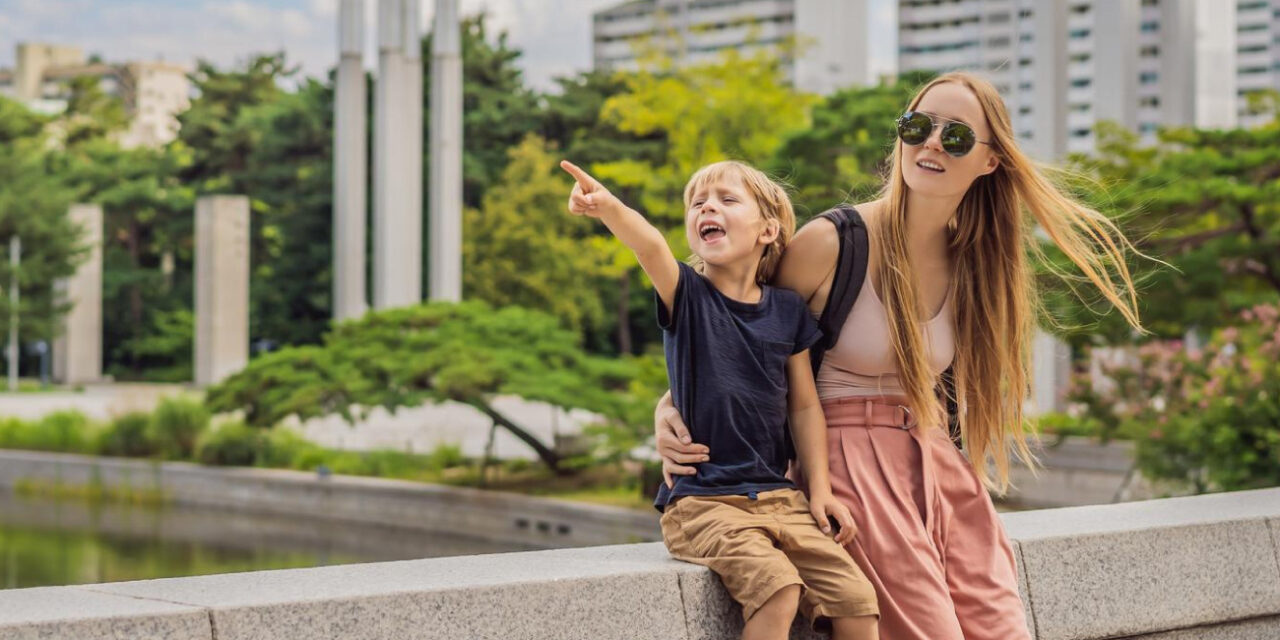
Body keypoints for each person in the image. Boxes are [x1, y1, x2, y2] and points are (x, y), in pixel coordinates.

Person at [654, 72, 1144, 639]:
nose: (932, 143)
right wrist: (668, 407)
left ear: (990, 162)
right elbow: (733, 334)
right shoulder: (832, 243)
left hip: (938, 465)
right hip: (848, 468)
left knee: (1003, 629)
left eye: (956, 136)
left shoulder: (977, 264)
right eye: (918, 126)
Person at [561, 159, 879, 640]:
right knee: (778, 589)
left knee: (857, 601)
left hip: (779, 497)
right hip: (704, 502)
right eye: (697, 203)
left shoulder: (787, 310)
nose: (708, 207)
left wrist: (820, 490)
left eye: (727, 200)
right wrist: (607, 207)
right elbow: (648, 244)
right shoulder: (686, 295)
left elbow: (804, 406)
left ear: (768, 229)